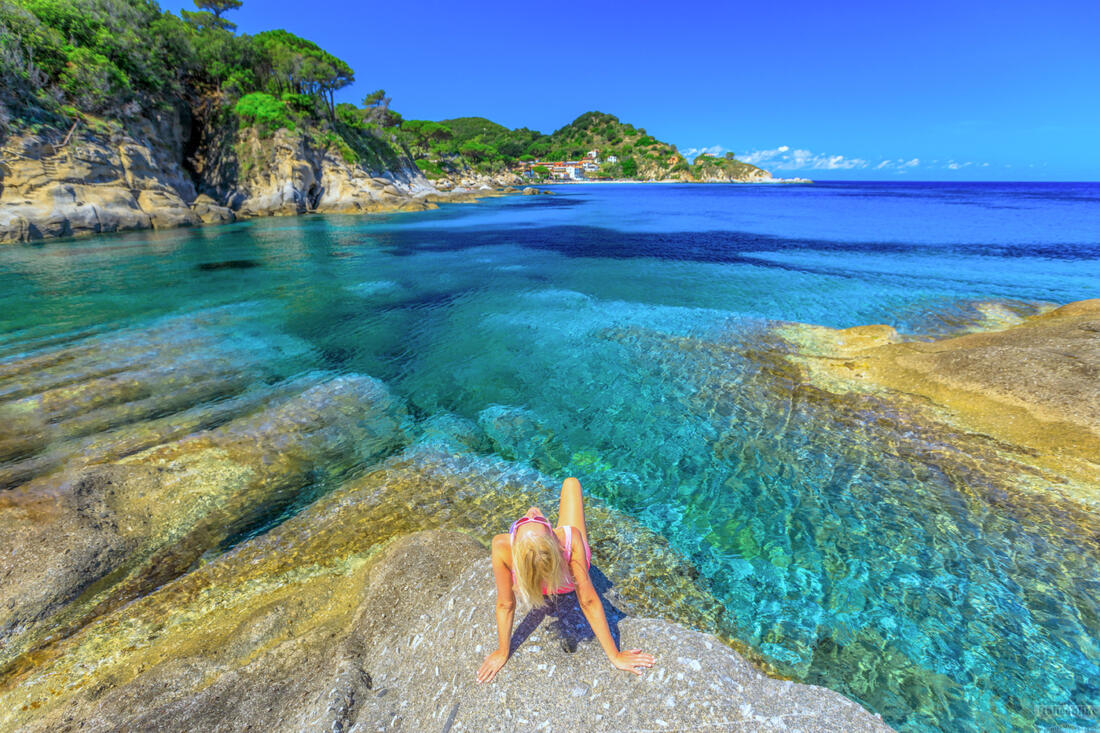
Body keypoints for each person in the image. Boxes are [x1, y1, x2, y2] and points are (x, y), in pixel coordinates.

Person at [476, 477, 656, 683]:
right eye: (531, 521)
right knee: (571, 484)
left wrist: (502, 651)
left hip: (533, 584)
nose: (532, 513)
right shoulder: (569, 538)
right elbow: (587, 601)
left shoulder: (502, 546)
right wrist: (615, 656)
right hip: (565, 582)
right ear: (554, 539)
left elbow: (506, 604)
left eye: (524, 520)